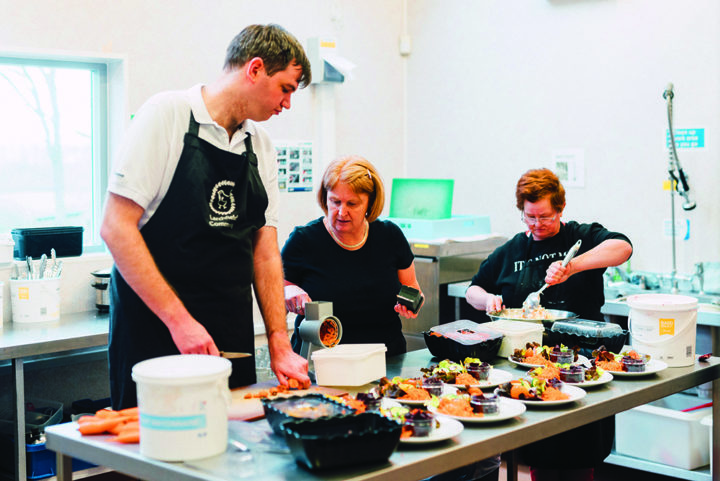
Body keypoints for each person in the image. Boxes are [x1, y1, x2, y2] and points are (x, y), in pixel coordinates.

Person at [101, 24, 312, 410]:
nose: (287, 105)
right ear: (255, 69)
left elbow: (265, 252)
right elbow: (116, 228)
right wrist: (180, 321)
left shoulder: (260, 145)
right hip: (156, 327)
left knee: (232, 449)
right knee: (158, 453)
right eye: (286, 88)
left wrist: (279, 343)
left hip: (228, 327)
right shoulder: (167, 115)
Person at [466, 168, 633, 481]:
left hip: (581, 368)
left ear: (560, 209)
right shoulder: (514, 249)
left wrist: (574, 266)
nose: (536, 225)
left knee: (579, 459)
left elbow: (623, 248)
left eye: (544, 216)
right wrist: (488, 299)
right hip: (528, 366)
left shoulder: (580, 236)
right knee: (538, 455)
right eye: (529, 217)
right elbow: (473, 289)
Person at [281, 155, 423, 356]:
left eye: (352, 204)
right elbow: (276, 293)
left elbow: (412, 288)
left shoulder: (390, 236)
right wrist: (288, 292)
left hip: (385, 358)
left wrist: (412, 304)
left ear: (369, 203)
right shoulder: (304, 240)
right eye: (335, 201)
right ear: (325, 198)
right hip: (322, 360)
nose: (341, 212)